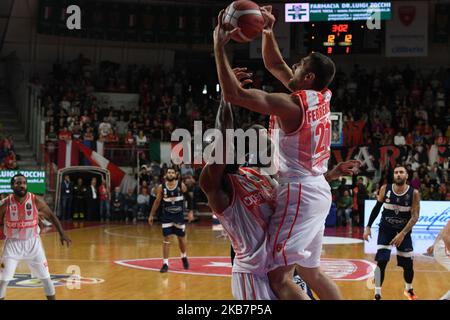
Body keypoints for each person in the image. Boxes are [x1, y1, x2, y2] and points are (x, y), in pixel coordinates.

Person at [214, 7, 337, 299]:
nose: (291, 66)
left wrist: (219, 49)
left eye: (299, 65)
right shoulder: (321, 96)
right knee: (313, 273)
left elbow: (235, 95)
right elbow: (274, 64)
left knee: (278, 277)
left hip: (299, 193)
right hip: (318, 189)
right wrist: (268, 30)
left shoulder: (291, 106)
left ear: (307, 77)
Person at [200, 93, 360, 299]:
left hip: (280, 267)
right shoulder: (216, 186)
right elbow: (224, 140)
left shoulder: (258, 176)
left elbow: (297, 198)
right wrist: (226, 99)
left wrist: (329, 175)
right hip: (253, 276)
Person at [0, 174, 72, 300]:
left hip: (33, 244)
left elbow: (51, 216)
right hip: (12, 245)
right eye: (18, 183)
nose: (22, 185)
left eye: (24, 182)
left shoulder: (35, 200)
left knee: (46, 279)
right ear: (12, 186)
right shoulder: (5, 204)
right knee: (3, 280)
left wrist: (62, 233)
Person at [363, 165, 420, 300]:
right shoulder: (385, 189)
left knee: (408, 265)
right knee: (381, 262)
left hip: (403, 231)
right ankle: (377, 293)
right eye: (396, 172)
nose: (398, 174)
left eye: (401, 172)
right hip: (386, 229)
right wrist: (368, 226)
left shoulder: (414, 193)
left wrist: (402, 233)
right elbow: (376, 208)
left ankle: (409, 289)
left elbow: (415, 216)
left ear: (406, 176)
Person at [148, 167, 194, 273]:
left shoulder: (181, 186)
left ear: (176, 175)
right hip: (167, 217)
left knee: (181, 239)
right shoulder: (161, 187)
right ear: (165, 175)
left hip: (179, 217)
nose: (170, 174)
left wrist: (190, 211)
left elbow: (189, 198)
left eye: (172, 172)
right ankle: (165, 263)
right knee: (166, 239)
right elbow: (157, 202)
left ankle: (183, 256)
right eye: (169, 172)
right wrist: (151, 215)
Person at [426, 220, 450, 300]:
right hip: (444, 249)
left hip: (442, 247)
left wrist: (434, 245)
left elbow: (443, 232)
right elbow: (445, 235)